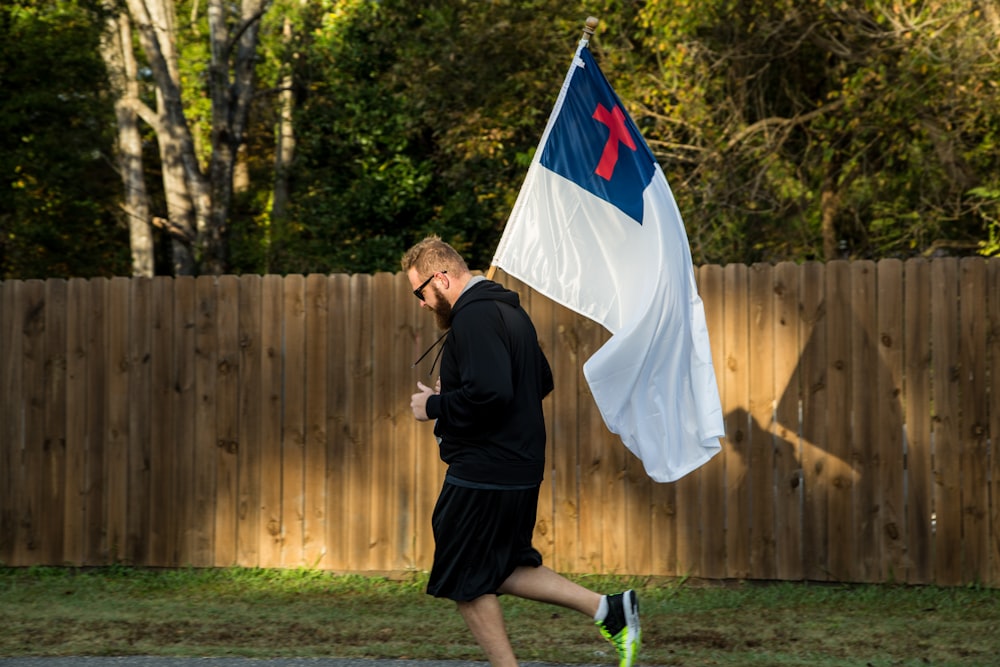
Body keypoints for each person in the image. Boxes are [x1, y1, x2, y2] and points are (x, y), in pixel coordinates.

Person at [402, 236, 641, 667]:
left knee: (466, 580)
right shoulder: (511, 312)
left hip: (483, 470)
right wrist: (461, 389)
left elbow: (491, 392)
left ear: (441, 278)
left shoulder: (474, 317)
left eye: (420, 291)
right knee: (503, 565)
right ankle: (610, 610)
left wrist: (434, 405)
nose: (420, 302)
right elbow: (539, 381)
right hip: (519, 467)